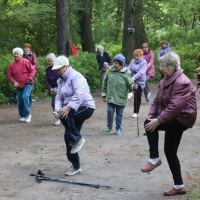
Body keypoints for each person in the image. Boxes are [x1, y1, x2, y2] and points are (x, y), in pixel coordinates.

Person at [141, 52, 197, 196]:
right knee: (170, 151)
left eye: (163, 66)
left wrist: (158, 120)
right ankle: (179, 186)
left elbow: (175, 106)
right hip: (173, 116)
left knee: (149, 124)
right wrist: (152, 116)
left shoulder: (182, 81)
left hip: (183, 117)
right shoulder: (164, 81)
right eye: (159, 65)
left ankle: (154, 158)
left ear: (172, 66)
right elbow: (156, 101)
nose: (160, 68)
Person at [52, 56, 95, 176]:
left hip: (85, 106)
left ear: (66, 66)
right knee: (67, 137)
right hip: (71, 109)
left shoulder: (77, 77)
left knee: (65, 116)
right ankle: (76, 166)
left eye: (59, 69)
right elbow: (59, 98)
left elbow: (79, 95)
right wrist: (57, 109)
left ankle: (78, 138)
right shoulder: (60, 80)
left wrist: (67, 108)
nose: (57, 71)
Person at [102, 54, 136, 135]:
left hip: (121, 96)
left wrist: (133, 86)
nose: (114, 65)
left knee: (119, 113)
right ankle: (109, 126)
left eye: (116, 63)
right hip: (110, 96)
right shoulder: (110, 71)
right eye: (114, 63)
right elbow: (105, 83)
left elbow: (130, 83)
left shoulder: (127, 73)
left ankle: (118, 128)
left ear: (121, 65)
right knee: (110, 111)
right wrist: (104, 94)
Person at [7, 47, 35, 122]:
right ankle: (23, 116)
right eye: (14, 54)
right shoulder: (12, 64)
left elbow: (33, 70)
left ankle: (28, 114)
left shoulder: (26, 61)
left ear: (21, 54)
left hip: (27, 83)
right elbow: (9, 74)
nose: (15, 55)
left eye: (17, 53)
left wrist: (29, 78)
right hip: (18, 85)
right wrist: (13, 82)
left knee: (25, 97)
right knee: (19, 100)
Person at [128, 49, 147, 118]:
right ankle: (129, 92)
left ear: (141, 56)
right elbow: (129, 69)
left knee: (137, 96)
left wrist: (134, 77)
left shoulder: (144, 63)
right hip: (132, 79)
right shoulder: (132, 61)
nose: (136, 57)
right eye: (135, 56)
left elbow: (141, 72)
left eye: (138, 56)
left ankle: (136, 112)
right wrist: (129, 75)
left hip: (140, 81)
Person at [45, 53, 61, 126]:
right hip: (53, 88)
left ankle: (59, 119)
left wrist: (58, 89)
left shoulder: (57, 69)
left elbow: (61, 80)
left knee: (58, 102)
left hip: (60, 87)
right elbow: (48, 81)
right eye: (48, 61)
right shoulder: (47, 70)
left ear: (54, 61)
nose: (49, 62)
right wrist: (50, 88)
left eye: (50, 61)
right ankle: (58, 117)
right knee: (53, 104)